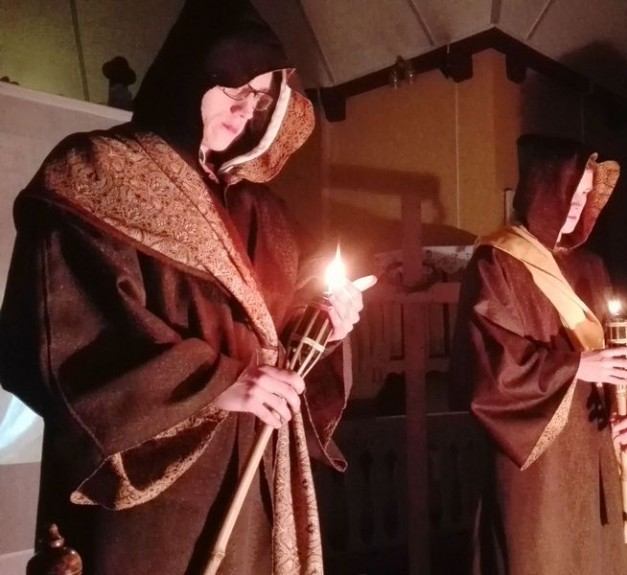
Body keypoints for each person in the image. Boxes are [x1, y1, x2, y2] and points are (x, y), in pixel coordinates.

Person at [0, 1, 372, 573]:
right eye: (234, 88)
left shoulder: (261, 210)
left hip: (254, 468)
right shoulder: (96, 172)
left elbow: (290, 323)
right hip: (155, 490)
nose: (245, 110)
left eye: (261, 98)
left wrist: (327, 322)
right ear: (192, 74)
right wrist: (220, 383)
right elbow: (60, 338)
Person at [452, 133, 627, 575]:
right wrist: (576, 365)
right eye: (572, 193)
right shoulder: (496, 262)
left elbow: (616, 352)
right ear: (543, 189)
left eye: (586, 194)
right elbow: (489, 368)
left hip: (595, 444)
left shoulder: (592, 266)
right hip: (539, 465)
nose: (580, 204)